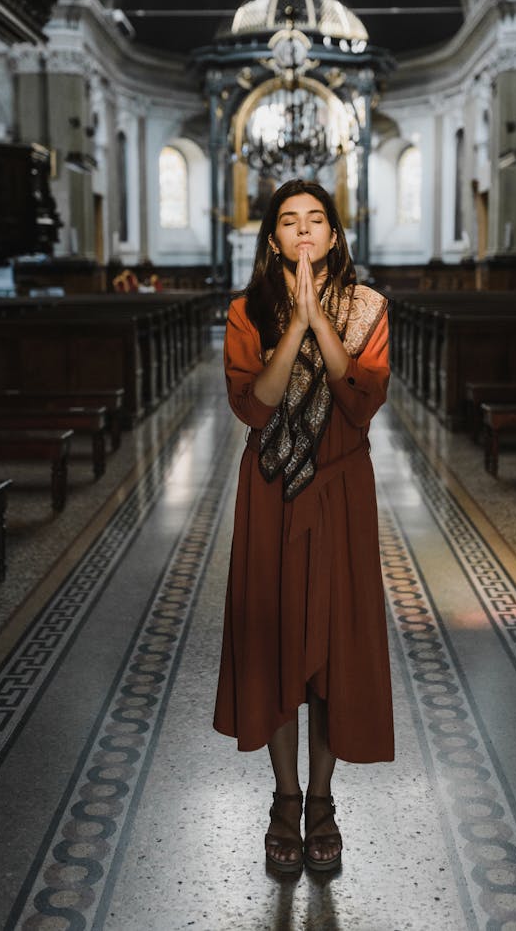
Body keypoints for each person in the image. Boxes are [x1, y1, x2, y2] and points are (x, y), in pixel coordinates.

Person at [214, 178, 394, 875]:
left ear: (336, 235)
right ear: (272, 240)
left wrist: (323, 320)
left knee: (335, 644)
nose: (305, 233)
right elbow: (255, 407)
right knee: (277, 640)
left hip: (342, 491)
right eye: (290, 222)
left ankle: (323, 800)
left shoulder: (368, 309)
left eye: (317, 220)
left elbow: (360, 402)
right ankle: (284, 799)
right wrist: (293, 324)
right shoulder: (245, 313)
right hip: (271, 494)